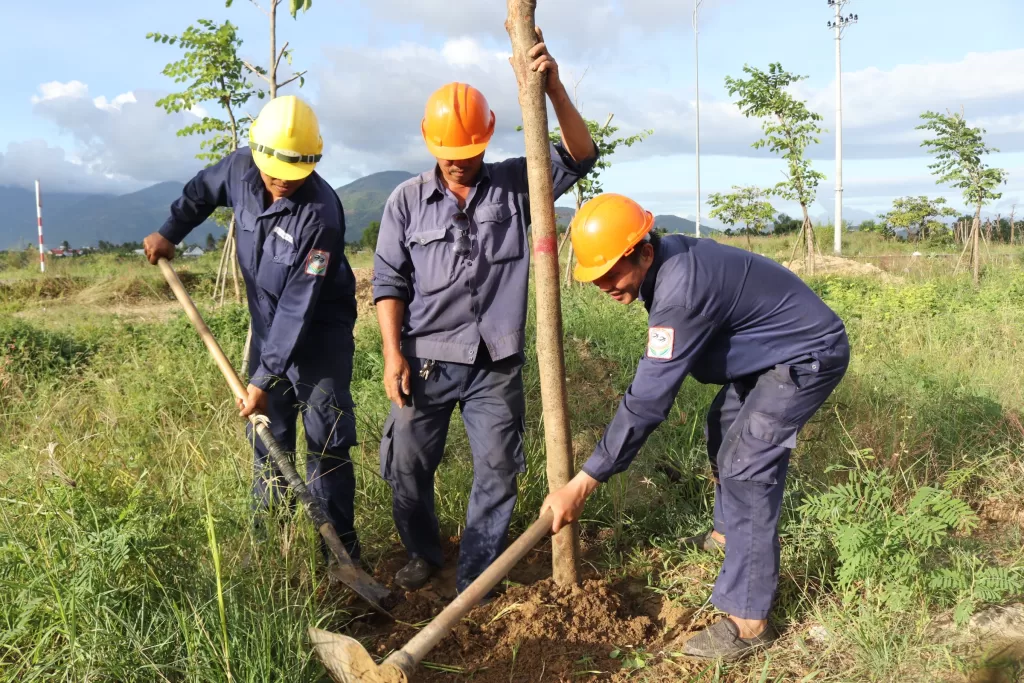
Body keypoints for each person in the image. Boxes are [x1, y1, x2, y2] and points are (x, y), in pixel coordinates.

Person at [541, 194, 850, 661]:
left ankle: (749, 622)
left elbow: (648, 400)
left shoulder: (681, 290)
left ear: (644, 252)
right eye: (595, 276)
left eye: (611, 272)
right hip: (770, 353)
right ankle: (727, 535)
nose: (603, 284)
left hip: (806, 356)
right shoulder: (668, 261)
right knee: (723, 426)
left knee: (747, 463)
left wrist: (583, 483)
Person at [372, 28, 598, 595]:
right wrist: (393, 354)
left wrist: (554, 89)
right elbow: (389, 282)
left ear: (486, 139)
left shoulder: (519, 182)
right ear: (430, 144)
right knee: (406, 465)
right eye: (449, 155)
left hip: (495, 362)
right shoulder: (405, 202)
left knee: (498, 469)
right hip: (425, 361)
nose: (459, 164)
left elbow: (581, 155)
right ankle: (423, 554)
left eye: (469, 153)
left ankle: (476, 573)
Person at [142, 95, 362, 566]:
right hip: (267, 330)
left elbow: (300, 305)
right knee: (268, 435)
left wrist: (263, 377)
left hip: (319, 333)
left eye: (295, 172)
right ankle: (272, 550)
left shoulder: (321, 214)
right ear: (258, 153)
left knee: (326, 439)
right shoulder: (240, 168)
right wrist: (170, 231)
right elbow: (200, 192)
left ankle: (340, 556)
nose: (282, 181)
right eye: (275, 171)